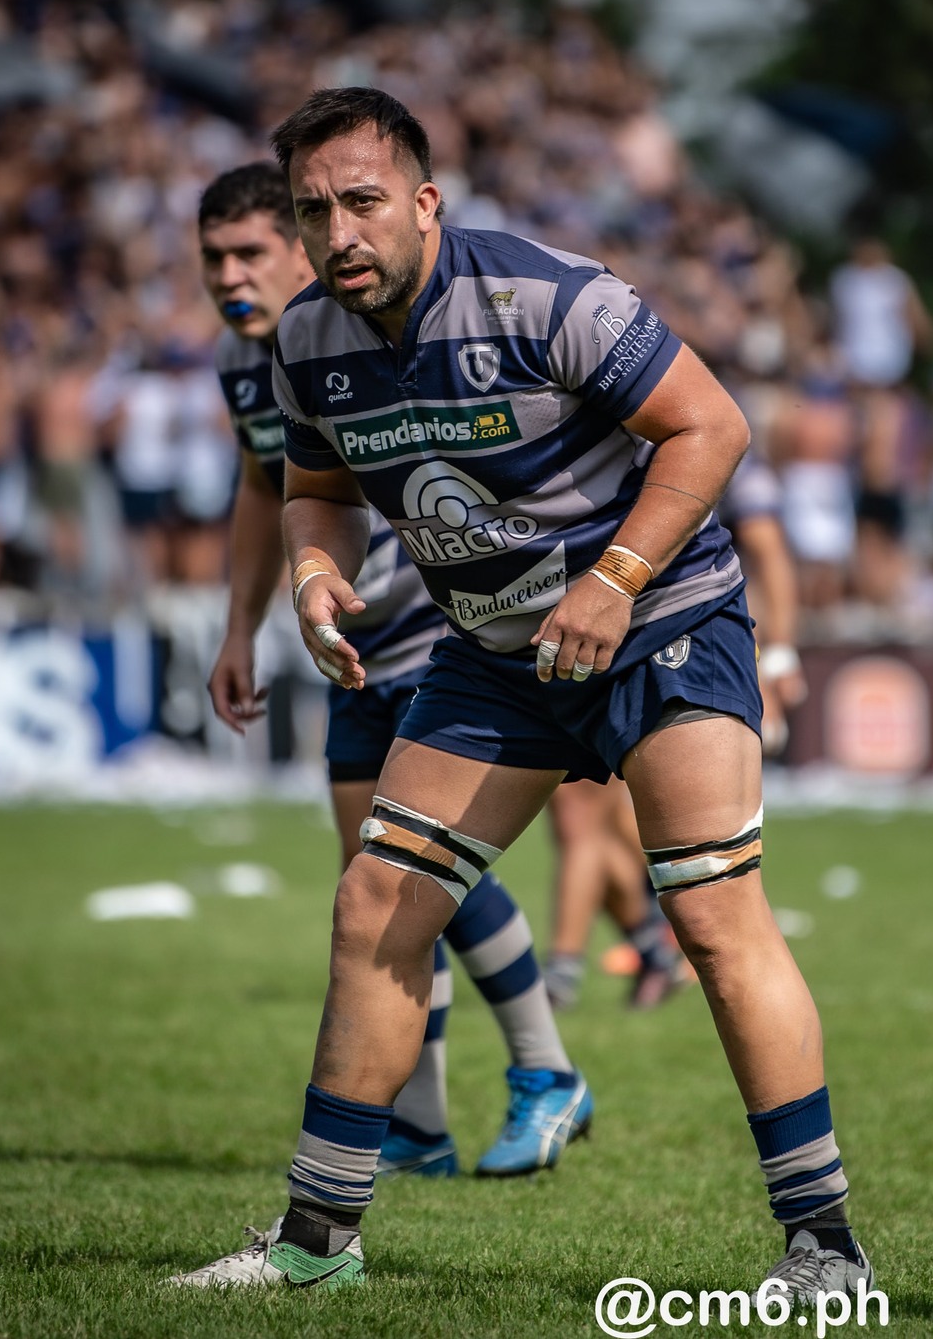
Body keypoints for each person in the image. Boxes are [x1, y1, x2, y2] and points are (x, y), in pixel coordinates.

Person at [171, 89, 868, 1301]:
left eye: (362, 201)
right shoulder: (302, 344)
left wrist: (613, 576)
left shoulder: (548, 293)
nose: (335, 230)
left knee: (710, 917)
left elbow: (712, 426)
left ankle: (823, 1244)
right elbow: (314, 484)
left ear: (426, 203)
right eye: (312, 208)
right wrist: (317, 568)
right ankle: (313, 1247)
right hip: (494, 652)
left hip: (664, 622)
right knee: (376, 902)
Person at [191, 162, 590, 1183]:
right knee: (376, 883)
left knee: (418, 873)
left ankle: (545, 1069)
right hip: (351, 651)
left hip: (446, 639)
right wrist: (239, 625)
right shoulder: (256, 363)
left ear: (300, 249)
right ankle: (419, 1119)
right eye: (212, 258)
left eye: (250, 252)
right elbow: (265, 487)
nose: (230, 275)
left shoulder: (380, 325)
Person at [541, 445, 807, 1012]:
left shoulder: (700, 431)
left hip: (683, 639)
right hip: (591, 639)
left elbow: (768, 549)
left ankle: (562, 976)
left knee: (586, 819)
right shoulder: (597, 420)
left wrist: (779, 655)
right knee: (593, 824)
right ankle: (654, 947)